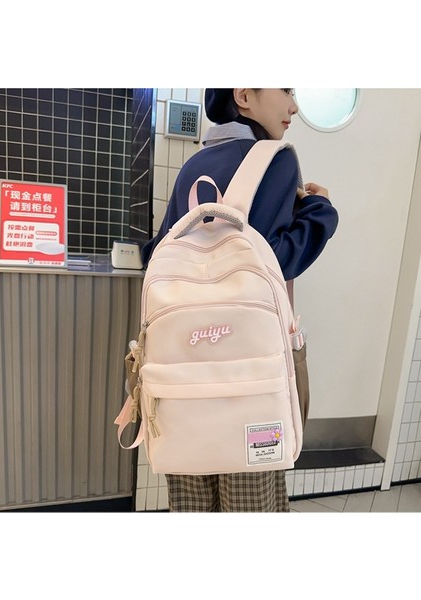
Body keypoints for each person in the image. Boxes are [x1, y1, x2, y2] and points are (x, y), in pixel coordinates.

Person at [141, 89, 339, 512]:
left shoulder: (193, 165)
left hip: (183, 375)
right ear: (245, 94)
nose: (293, 106)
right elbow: (273, 260)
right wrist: (320, 210)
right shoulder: (275, 159)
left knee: (192, 500)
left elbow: (158, 252)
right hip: (249, 372)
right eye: (285, 89)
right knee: (251, 503)